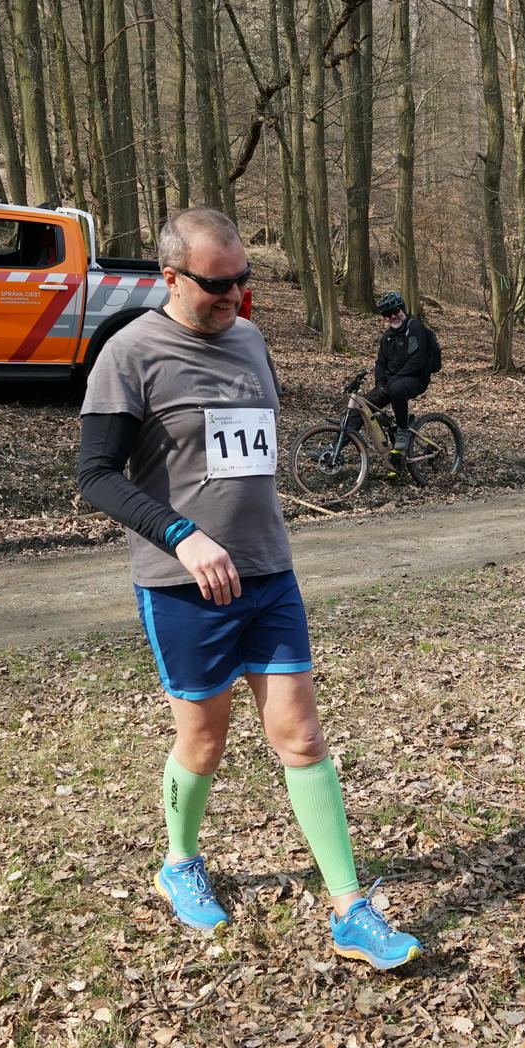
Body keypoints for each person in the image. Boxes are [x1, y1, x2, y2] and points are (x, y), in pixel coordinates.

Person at [76, 208, 423, 970]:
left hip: (269, 573)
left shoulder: (250, 339)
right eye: (217, 283)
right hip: (181, 586)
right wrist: (181, 533)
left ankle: (350, 910)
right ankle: (179, 862)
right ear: (170, 277)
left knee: (302, 737)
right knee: (204, 742)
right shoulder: (129, 353)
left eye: (243, 279)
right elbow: (94, 474)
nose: (234, 294)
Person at [361, 291, 434, 453]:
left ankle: (403, 428)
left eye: (395, 311)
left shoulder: (415, 328)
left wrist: (392, 381)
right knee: (363, 405)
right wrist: (380, 384)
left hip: (416, 378)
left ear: (403, 309)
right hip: (391, 382)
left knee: (396, 389)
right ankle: (334, 449)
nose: (393, 316)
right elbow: (381, 363)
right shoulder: (388, 337)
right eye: (387, 314)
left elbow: (417, 361)